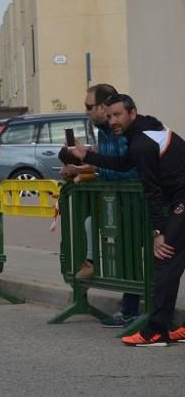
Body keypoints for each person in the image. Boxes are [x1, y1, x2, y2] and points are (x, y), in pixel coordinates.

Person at [67, 94, 185, 346]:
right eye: (109, 116)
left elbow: (151, 189)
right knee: (171, 262)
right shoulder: (143, 130)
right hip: (178, 197)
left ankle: (155, 332)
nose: (112, 121)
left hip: (181, 199)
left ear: (132, 113)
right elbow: (122, 163)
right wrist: (85, 155)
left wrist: (158, 231)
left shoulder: (142, 142)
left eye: (118, 115)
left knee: (164, 259)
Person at [59, 84, 141, 328]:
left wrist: (90, 168)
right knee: (94, 227)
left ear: (103, 107)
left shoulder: (122, 130)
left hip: (137, 199)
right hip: (117, 199)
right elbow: (108, 164)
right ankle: (95, 269)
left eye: (88, 107)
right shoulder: (102, 131)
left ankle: (134, 309)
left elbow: (126, 167)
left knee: (132, 256)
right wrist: (80, 169)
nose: (86, 112)